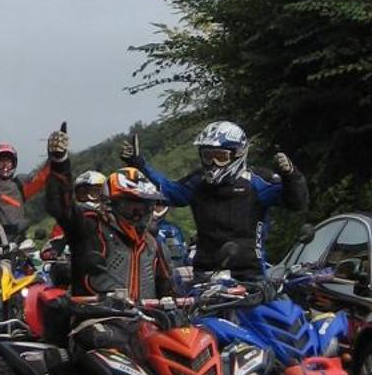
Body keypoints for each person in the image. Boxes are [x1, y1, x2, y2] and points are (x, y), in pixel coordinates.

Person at [126, 120, 306, 284]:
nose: (212, 163)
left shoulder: (257, 182)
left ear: (238, 154)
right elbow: (170, 192)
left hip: (249, 276)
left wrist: (291, 176)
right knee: (191, 319)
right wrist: (139, 164)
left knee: (270, 317)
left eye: (220, 157)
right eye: (207, 156)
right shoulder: (197, 182)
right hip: (205, 275)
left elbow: (296, 202)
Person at [44, 129, 176, 303]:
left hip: (146, 323)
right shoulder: (89, 228)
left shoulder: (154, 245)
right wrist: (60, 163)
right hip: (95, 317)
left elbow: (170, 294)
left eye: (144, 206)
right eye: (131, 206)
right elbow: (61, 207)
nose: (138, 213)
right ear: (110, 203)